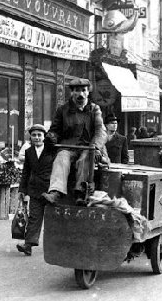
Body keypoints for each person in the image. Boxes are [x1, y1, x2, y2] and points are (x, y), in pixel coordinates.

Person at [41, 78, 107, 206]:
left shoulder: (94, 110)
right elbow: (55, 130)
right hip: (68, 146)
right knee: (61, 157)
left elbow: (100, 131)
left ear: (88, 93)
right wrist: (51, 137)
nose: (80, 94)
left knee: (85, 159)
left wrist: (96, 147)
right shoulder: (63, 110)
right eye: (77, 91)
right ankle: (55, 192)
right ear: (72, 93)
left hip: (88, 147)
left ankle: (81, 193)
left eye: (83, 90)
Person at [16, 124, 55, 256]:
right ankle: (28, 245)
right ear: (30, 137)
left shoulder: (52, 151)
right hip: (35, 190)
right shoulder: (29, 152)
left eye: (39, 135)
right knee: (34, 217)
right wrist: (22, 189)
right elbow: (26, 172)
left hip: (51, 191)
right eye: (34, 135)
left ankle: (56, 246)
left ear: (44, 137)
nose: (37, 137)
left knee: (53, 219)